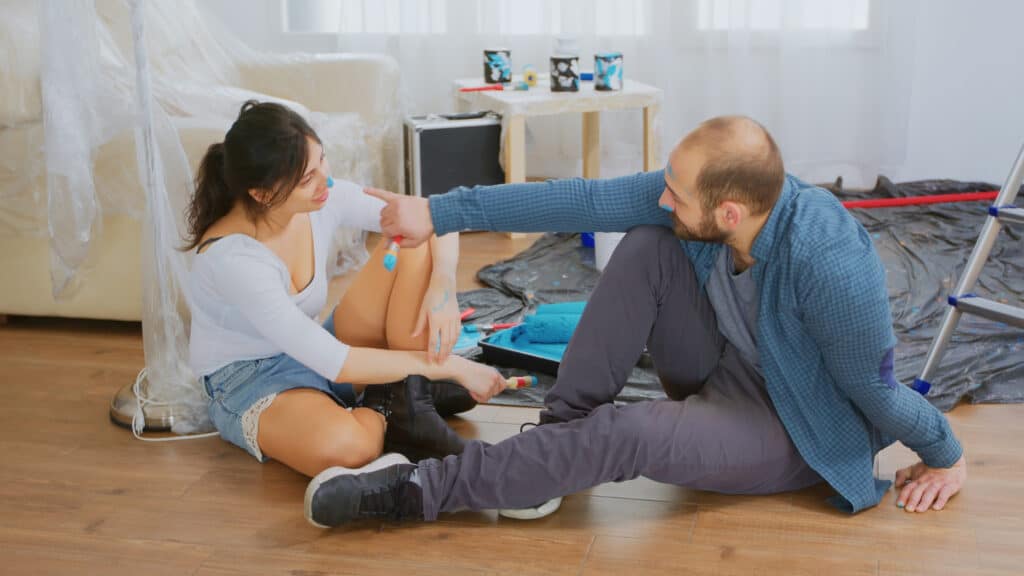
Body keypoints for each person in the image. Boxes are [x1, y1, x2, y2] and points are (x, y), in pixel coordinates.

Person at [303, 115, 967, 528]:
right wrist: (439, 210)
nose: (661, 195)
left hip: (794, 427)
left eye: (676, 191)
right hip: (729, 366)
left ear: (730, 211)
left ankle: (413, 494)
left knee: (634, 429)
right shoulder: (714, 195)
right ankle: (556, 454)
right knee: (651, 242)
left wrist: (947, 455)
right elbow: (586, 199)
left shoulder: (830, 262)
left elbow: (877, 390)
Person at [186, 101, 507, 479]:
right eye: (307, 178)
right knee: (349, 446)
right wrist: (452, 368)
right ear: (262, 194)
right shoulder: (235, 260)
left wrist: (444, 286)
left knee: (414, 241)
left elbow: (434, 214)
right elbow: (334, 361)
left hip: (315, 348)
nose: (326, 180)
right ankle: (395, 403)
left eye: (321, 159)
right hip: (252, 380)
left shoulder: (323, 196)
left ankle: (405, 396)